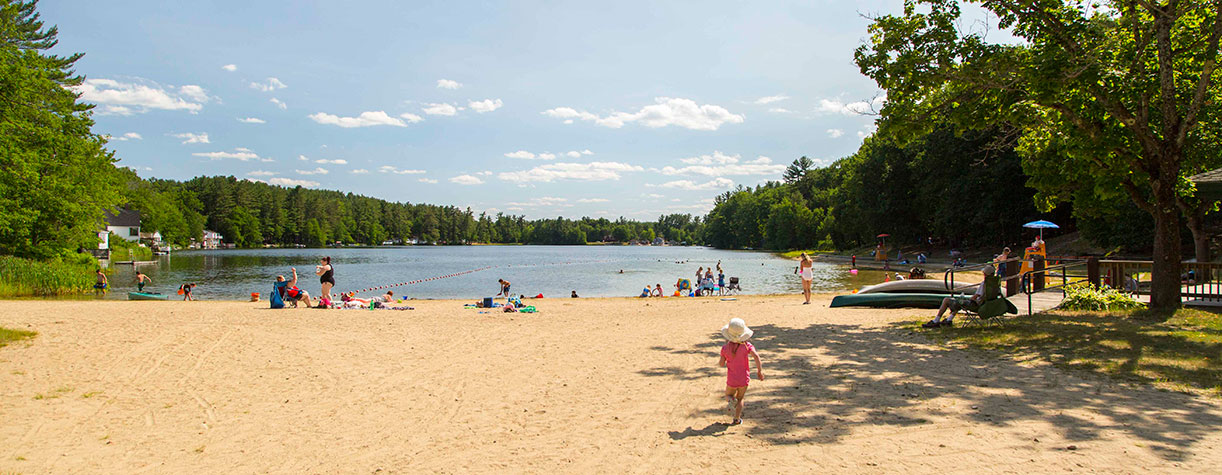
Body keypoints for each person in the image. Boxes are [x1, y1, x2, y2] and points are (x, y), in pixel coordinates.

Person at [718, 318, 763, 425]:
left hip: (732, 378)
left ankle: (730, 400)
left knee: (728, 395)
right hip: (744, 378)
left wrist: (724, 357)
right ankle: (736, 419)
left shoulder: (725, 348)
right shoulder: (746, 346)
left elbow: (721, 364)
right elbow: (756, 356)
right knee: (740, 398)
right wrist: (759, 371)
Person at [923, 266, 995, 328]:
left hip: (977, 305)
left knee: (947, 300)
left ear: (985, 274)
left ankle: (936, 320)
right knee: (959, 302)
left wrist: (970, 299)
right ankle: (949, 320)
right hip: (987, 305)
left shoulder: (985, 284)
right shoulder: (995, 283)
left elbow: (976, 296)